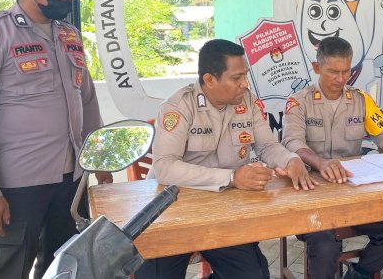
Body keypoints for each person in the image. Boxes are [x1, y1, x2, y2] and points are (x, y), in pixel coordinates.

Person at [0, 0, 109, 279]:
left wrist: (100, 160)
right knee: (7, 271)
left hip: (71, 181)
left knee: (67, 268)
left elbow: (87, 100)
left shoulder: (69, 35)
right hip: (18, 184)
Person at [136, 39, 317, 279]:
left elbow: (267, 145)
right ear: (209, 80)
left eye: (246, 75)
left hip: (224, 213)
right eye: (236, 78)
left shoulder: (247, 101)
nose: (245, 84)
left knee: (254, 275)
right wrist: (232, 177)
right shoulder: (178, 107)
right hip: (173, 214)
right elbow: (165, 168)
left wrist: (289, 160)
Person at [282, 36, 383, 279]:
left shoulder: (361, 100)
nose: (340, 79)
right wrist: (320, 163)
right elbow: (292, 143)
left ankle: (359, 274)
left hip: (353, 191)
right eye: (333, 72)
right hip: (314, 192)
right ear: (316, 68)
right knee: (325, 245)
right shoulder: (299, 102)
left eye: (346, 71)